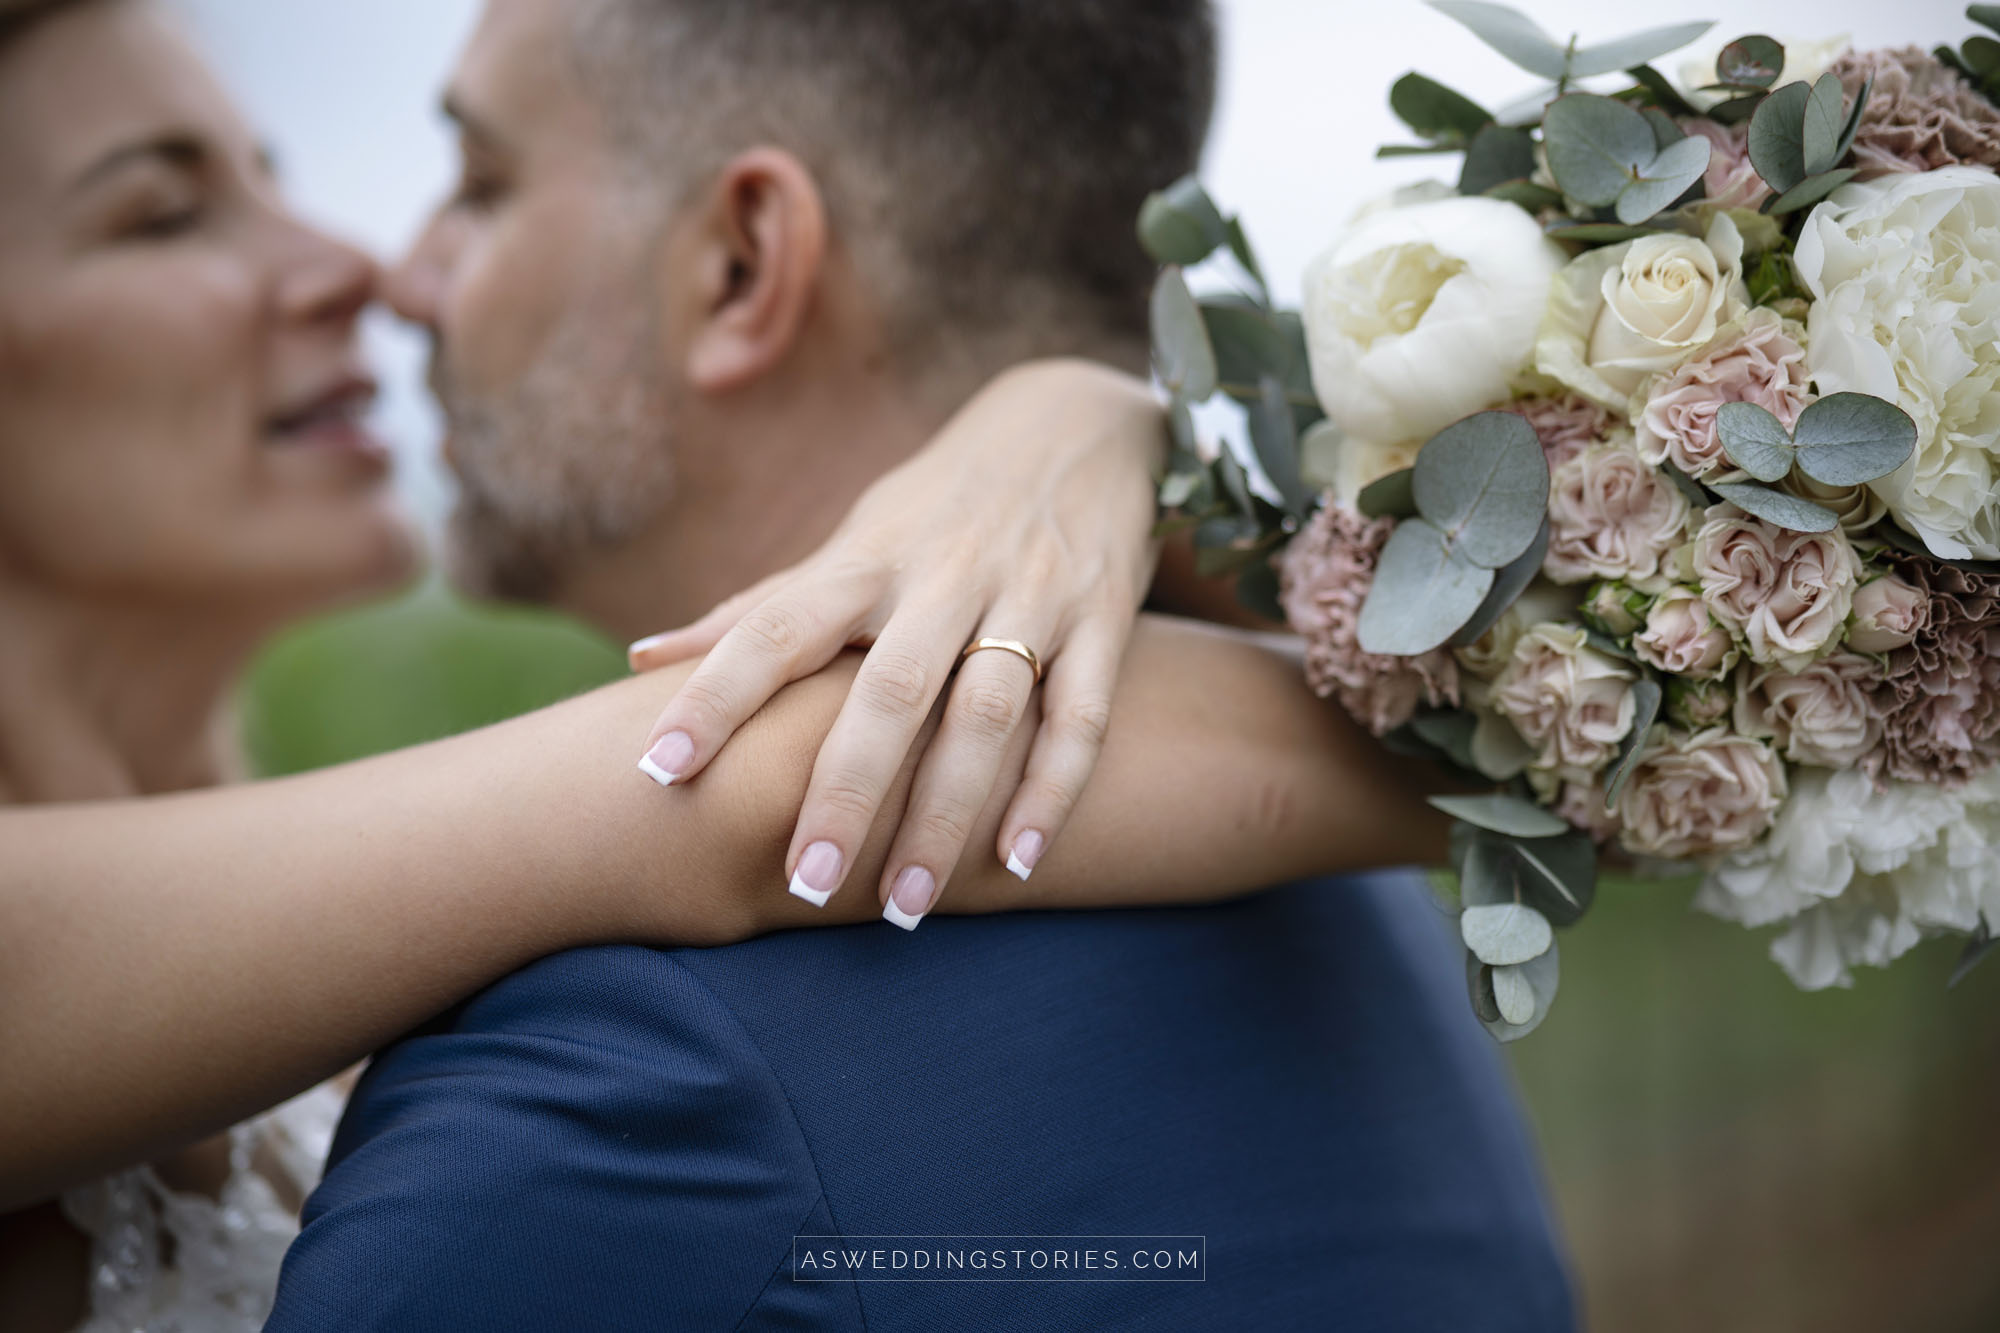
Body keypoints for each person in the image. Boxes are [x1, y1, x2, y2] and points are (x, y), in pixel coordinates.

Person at [0, 0, 1465, 1327]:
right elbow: (732, 791)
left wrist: (1092, 431)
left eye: (485, 182)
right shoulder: (1360, 957)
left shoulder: (592, 1080)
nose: (373, 272)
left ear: (744, 259)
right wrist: (1481, 745)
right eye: (159, 215)